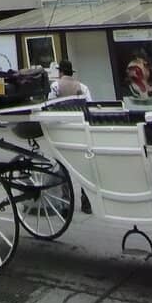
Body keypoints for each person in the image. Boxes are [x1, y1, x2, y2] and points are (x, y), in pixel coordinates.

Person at [48, 60, 93, 215]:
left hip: (62, 131)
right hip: (79, 130)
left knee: (64, 167)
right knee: (84, 168)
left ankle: (66, 203)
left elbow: (50, 106)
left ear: (60, 72)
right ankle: (86, 201)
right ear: (71, 72)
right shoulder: (83, 87)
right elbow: (90, 107)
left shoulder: (55, 86)